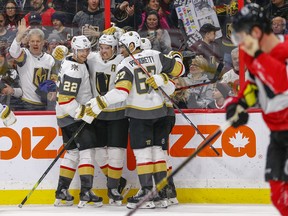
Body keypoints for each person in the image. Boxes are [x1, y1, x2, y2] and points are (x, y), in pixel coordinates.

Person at [85, 31, 184, 209]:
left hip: (140, 115)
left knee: (144, 155)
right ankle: (162, 194)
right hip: (160, 113)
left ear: (131, 46)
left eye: (123, 47)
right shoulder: (156, 55)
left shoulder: (126, 63)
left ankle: (146, 192)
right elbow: (180, 70)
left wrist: (101, 101)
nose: (121, 50)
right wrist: (165, 76)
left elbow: (122, 92)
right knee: (158, 153)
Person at [226, 3, 288, 215]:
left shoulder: (285, 50)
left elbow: (279, 82)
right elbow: (254, 86)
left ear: (256, 32)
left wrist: (258, 57)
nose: (241, 44)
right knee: (278, 193)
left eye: (243, 37)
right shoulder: (254, 58)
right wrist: (239, 105)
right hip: (278, 134)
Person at [54, 35, 103, 208]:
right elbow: (66, 99)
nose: (85, 53)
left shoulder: (70, 60)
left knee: (73, 153)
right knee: (87, 152)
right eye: (81, 50)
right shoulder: (74, 69)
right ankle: (86, 191)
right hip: (73, 115)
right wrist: (83, 113)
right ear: (74, 50)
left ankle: (62, 191)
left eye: (87, 50)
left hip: (65, 116)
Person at [8, 18, 55, 111]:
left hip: (45, 105)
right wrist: (19, 36)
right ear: (28, 42)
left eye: (38, 41)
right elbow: (13, 52)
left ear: (43, 42)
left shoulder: (50, 59)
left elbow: (53, 80)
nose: (35, 44)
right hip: (25, 104)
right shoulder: (25, 54)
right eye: (32, 41)